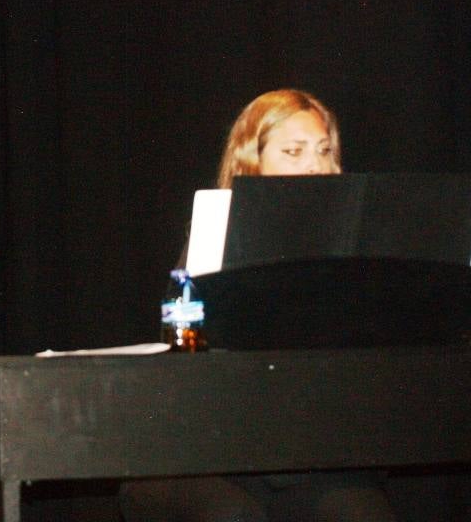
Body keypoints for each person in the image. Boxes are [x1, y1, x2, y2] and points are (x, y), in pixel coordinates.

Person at [121, 89, 396, 522]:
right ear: (253, 161)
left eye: (324, 151)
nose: (315, 165)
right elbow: (185, 353)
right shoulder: (214, 233)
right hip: (221, 458)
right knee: (232, 515)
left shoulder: (352, 248)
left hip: (314, 461)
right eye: (293, 151)